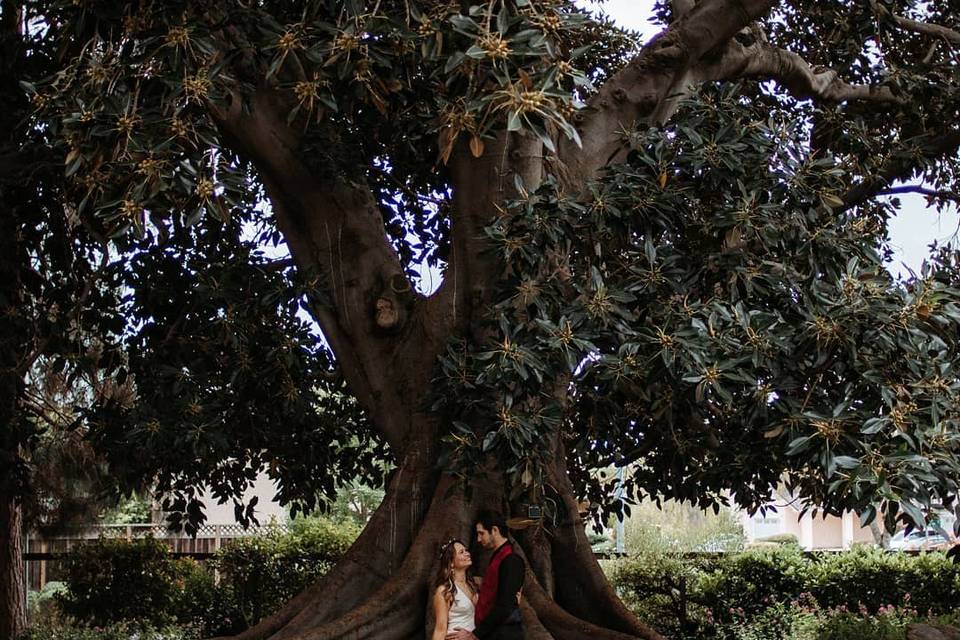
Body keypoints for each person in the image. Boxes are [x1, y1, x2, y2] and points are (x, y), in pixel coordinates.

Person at [446, 510, 524, 640]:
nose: (478, 539)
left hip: (504, 634)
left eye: (481, 533)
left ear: (494, 530)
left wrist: (474, 635)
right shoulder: (497, 558)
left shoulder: (511, 561)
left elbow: (505, 606)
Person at [432, 539, 479, 640]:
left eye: (466, 550)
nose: (467, 553)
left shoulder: (473, 585)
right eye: (461, 552)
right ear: (451, 563)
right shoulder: (444, 590)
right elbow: (440, 628)